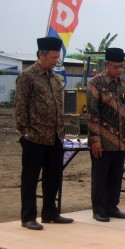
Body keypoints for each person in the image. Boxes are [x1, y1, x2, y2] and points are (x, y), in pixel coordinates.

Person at [14, 37, 74, 230]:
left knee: (53, 177)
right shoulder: (27, 76)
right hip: (35, 137)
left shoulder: (55, 78)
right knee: (30, 178)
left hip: (54, 137)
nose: (56, 60)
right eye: (54, 57)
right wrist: (26, 132)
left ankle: (50, 212)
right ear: (41, 54)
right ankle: (28, 217)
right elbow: (20, 107)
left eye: (58, 57)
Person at [87, 48, 125, 222]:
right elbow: (92, 113)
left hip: (120, 140)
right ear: (106, 65)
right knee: (100, 176)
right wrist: (95, 140)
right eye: (116, 67)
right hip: (102, 140)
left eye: (121, 66)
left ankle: (112, 206)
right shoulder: (96, 84)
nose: (119, 70)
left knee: (115, 175)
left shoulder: (124, 84)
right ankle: (98, 209)